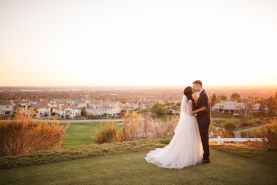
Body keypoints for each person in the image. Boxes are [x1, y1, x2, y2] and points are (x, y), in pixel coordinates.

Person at [144, 86, 206, 169]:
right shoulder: (190, 100)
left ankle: (189, 154)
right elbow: (190, 113)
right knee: (190, 138)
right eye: (192, 90)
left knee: (188, 138)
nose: (193, 90)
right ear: (190, 92)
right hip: (190, 120)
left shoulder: (189, 99)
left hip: (189, 120)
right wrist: (201, 109)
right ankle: (188, 157)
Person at [192, 80, 211, 163]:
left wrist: (196, 114)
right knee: (204, 138)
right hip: (202, 120)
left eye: (194, 86)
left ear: (198, 85)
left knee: (204, 139)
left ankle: (206, 157)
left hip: (203, 121)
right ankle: (205, 155)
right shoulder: (202, 94)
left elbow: (205, 108)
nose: (193, 87)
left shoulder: (204, 95)